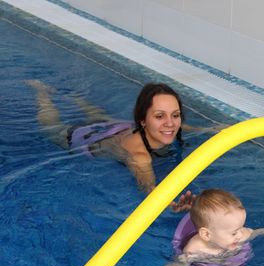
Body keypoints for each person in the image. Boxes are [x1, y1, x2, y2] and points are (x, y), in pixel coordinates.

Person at [26, 80, 214, 211]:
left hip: (117, 127)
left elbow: (188, 126)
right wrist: (171, 205)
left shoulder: (169, 127)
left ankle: (75, 98)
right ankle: (42, 94)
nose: (170, 123)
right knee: (51, 128)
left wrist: (216, 129)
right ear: (143, 120)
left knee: (98, 115)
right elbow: (149, 189)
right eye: (159, 116)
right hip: (83, 138)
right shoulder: (139, 156)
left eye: (175, 115)